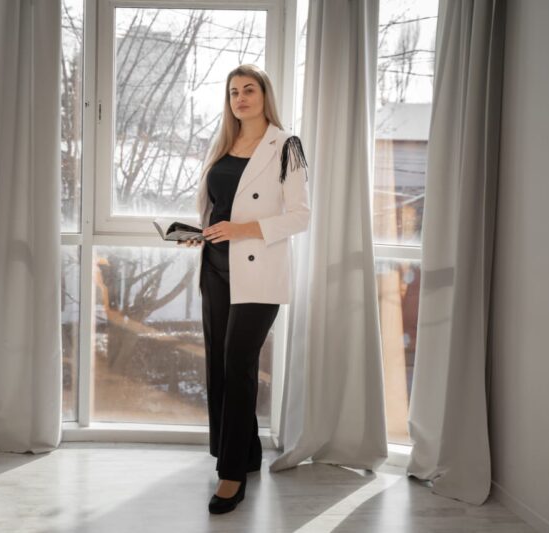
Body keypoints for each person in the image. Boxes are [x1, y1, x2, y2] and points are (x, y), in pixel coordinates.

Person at [178, 64, 311, 514]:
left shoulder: (286, 145)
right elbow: (219, 209)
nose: (240, 98)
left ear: (264, 95)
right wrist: (204, 232)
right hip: (216, 267)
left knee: (238, 366)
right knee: (220, 364)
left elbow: (300, 216)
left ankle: (232, 475)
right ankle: (245, 452)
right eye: (234, 92)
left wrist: (242, 230)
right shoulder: (223, 144)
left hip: (258, 271)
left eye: (249, 90)